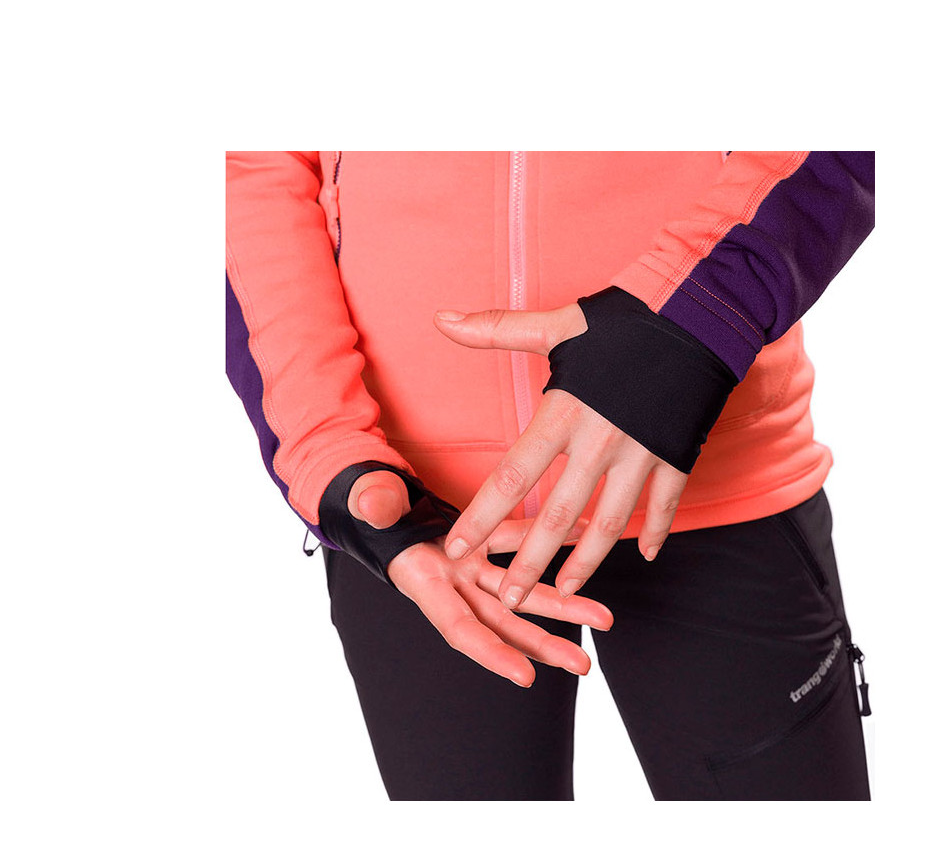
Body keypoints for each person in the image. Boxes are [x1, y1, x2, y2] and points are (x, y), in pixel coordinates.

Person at [226, 151, 876, 801]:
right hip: (419, 525)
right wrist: (326, 447)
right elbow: (252, 165)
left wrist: (690, 320)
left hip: (707, 463)